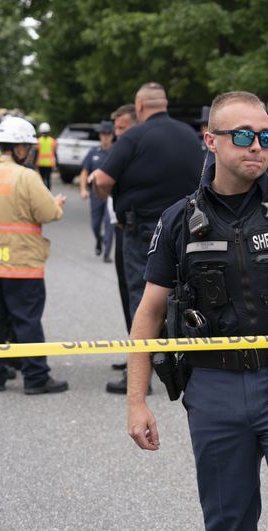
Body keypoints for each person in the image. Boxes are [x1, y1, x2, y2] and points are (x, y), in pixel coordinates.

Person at [126, 91, 268, 531]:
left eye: (265, 137)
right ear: (210, 140)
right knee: (227, 523)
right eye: (244, 135)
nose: (256, 146)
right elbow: (149, 314)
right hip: (213, 389)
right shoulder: (178, 220)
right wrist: (136, 402)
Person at [93, 82, 202, 394]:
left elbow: (102, 179)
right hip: (186, 230)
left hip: (143, 232)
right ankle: (182, 364)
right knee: (183, 297)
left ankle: (138, 376)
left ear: (139, 107)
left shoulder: (133, 137)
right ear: (164, 103)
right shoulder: (188, 135)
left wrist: (105, 193)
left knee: (142, 300)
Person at [0, 117, 69, 394]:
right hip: (23, 264)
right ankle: (36, 377)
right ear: (21, 148)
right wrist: (57, 204)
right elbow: (48, 213)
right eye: (28, 147)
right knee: (27, 320)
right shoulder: (27, 177)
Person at [107, 105, 138, 363]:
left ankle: (144, 358)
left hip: (134, 230)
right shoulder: (120, 150)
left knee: (139, 296)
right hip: (120, 228)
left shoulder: (136, 153)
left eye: (123, 128)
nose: (118, 134)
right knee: (127, 294)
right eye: (116, 128)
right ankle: (136, 352)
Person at [79, 121, 115, 263]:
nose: (105, 137)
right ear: (100, 136)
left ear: (112, 136)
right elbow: (84, 172)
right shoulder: (93, 152)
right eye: (103, 134)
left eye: (108, 134)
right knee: (95, 225)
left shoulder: (117, 152)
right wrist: (83, 189)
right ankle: (100, 240)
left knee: (109, 223)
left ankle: (107, 253)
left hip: (112, 195)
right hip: (95, 194)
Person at [36, 122, 56, 190]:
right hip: (49, 163)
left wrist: (33, 163)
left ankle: (42, 192)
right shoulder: (52, 141)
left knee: (42, 179)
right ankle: (48, 194)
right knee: (48, 179)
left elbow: (36, 152)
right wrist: (57, 163)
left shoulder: (38, 141)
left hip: (40, 163)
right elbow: (55, 153)